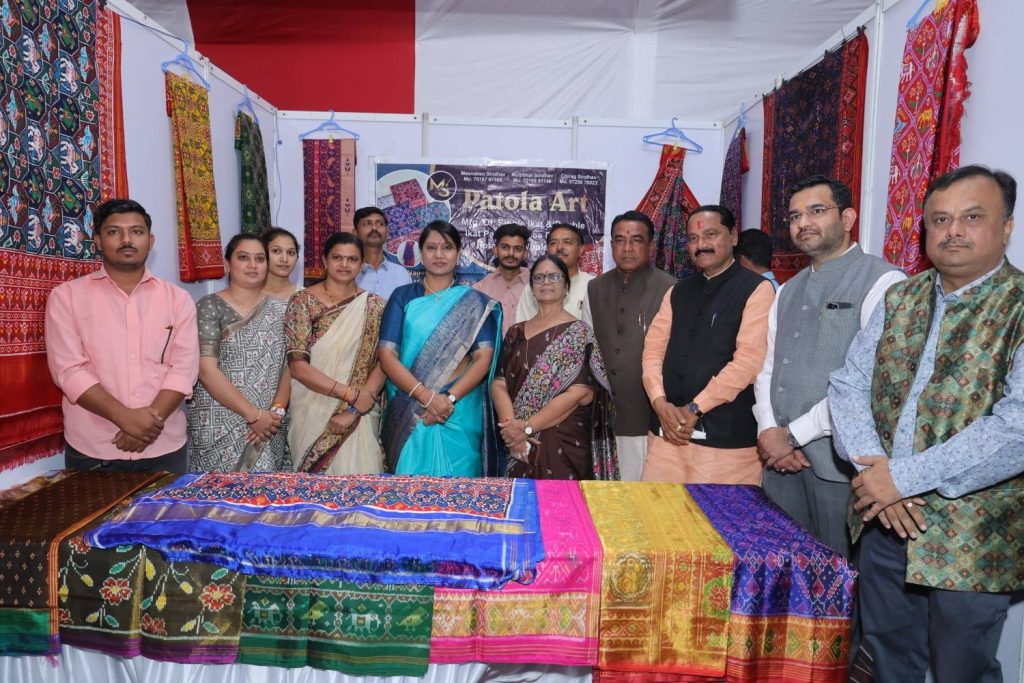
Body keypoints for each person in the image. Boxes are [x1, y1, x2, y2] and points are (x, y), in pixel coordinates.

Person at [829, 165, 1024, 683]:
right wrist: (876, 473)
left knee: (963, 669)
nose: (953, 230)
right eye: (940, 219)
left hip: (972, 535)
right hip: (882, 520)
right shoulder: (902, 297)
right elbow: (849, 384)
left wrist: (900, 479)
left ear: (1006, 226)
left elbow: (1017, 427)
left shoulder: (1019, 305)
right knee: (887, 657)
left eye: (972, 217)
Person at [753, 176, 904, 557]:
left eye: (816, 211)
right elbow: (769, 366)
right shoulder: (787, 289)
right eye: (794, 216)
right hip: (782, 465)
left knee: (840, 575)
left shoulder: (884, 281)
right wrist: (768, 430)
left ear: (848, 218)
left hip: (840, 469)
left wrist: (791, 436)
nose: (803, 223)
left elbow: (871, 384)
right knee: (786, 569)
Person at [44, 199, 198, 473]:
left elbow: (184, 369)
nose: (127, 240)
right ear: (98, 241)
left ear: (150, 241)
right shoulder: (67, 297)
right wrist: (126, 418)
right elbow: (69, 371)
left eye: (136, 232)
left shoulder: (178, 299)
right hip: (94, 448)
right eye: (114, 232)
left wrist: (147, 426)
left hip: (164, 446)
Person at [641, 204, 773, 484]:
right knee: (655, 508)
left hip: (724, 443)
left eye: (711, 234)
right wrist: (659, 402)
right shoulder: (677, 291)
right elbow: (652, 351)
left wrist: (695, 408)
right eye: (693, 238)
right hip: (667, 434)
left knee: (716, 513)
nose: (701, 245)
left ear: (733, 237)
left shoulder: (757, 289)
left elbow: (749, 362)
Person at [379, 220, 501, 476]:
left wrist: (448, 399)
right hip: (410, 410)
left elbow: (484, 358)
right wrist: (426, 397)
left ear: (458, 254)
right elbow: (387, 355)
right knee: (408, 490)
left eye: (447, 247)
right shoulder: (402, 297)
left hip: (457, 411)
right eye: (431, 247)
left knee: (461, 490)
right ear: (421, 253)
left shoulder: (475, 302)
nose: (439, 254)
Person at [493, 255, 614, 480]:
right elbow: (499, 383)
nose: (546, 282)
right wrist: (512, 430)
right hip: (517, 442)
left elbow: (580, 393)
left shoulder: (580, 333)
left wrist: (527, 427)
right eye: (539, 277)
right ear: (531, 288)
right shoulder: (515, 332)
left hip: (563, 440)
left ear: (566, 286)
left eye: (554, 277)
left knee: (562, 500)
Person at [188, 234, 291, 472]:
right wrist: (253, 415)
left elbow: (289, 366)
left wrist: (275, 412)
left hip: (269, 424)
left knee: (266, 493)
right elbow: (206, 370)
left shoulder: (282, 310)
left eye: (260, 259)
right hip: (219, 422)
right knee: (217, 493)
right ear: (227, 264)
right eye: (243, 258)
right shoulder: (209, 306)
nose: (253, 265)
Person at [286, 232, 387, 474]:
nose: (344, 264)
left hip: (359, 414)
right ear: (324, 260)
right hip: (312, 410)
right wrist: (350, 394)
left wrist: (355, 408)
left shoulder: (375, 305)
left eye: (352, 259)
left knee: (362, 484)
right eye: (337, 257)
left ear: (362, 264)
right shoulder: (302, 301)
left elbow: (384, 362)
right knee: (315, 490)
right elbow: (298, 366)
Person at [588, 210, 675, 480]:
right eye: (619, 240)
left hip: (647, 416)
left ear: (650, 246)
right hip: (601, 417)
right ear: (611, 244)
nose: (627, 248)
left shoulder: (670, 288)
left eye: (636, 240)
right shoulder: (595, 288)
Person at [515, 223, 593, 325]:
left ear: (581, 250)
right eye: (553, 243)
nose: (560, 247)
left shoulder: (592, 286)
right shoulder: (534, 287)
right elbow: (522, 329)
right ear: (547, 250)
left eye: (567, 242)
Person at [473, 222, 531, 337]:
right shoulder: (481, 289)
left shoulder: (536, 286)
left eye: (517, 249)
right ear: (495, 250)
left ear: (525, 253)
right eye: (505, 247)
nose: (511, 253)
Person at [354, 206, 412, 300]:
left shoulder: (401, 273)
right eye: (367, 224)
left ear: (387, 232)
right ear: (355, 232)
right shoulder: (349, 272)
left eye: (380, 224)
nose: (374, 228)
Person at [262, 227, 300, 300]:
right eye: (276, 251)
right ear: (262, 255)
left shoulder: (306, 298)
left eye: (291, 253)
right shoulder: (249, 293)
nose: (284, 259)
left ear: (297, 259)